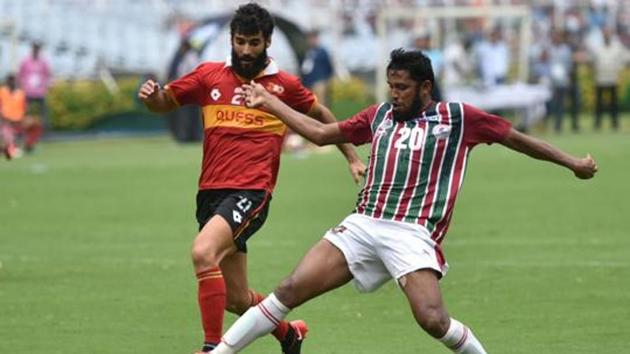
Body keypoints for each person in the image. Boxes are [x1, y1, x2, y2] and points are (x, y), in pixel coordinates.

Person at [209, 49, 598, 354]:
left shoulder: (457, 118)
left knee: (432, 320)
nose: (394, 94)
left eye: (402, 88)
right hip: (364, 224)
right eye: (391, 86)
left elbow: (518, 139)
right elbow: (322, 133)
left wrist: (573, 163)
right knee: (290, 288)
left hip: (411, 233)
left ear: (425, 87)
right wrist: (269, 102)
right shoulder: (379, 116)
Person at [137, 4, 365, 354]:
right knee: (235, 298)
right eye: (240, 41)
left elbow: (321, 117)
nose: (245, 50)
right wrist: (154, 99)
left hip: (251, 191)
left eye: (254, 42)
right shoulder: (208, 76)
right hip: (210, 193)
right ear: (231, 39)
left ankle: (212, 347)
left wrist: (351, 156)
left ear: (268, 42)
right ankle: (289, 333)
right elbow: (166, 102)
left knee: (202, 253)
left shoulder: (284, 86)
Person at [589, 27, 630, 131]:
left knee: (614, 104)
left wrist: (620, 68)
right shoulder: (597, 47)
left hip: (613, 78)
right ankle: (597, 124)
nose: (606, 35)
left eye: (608, 33)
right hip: (600, 79)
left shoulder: (617, 47)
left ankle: (615, 123)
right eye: (605, 33)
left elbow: (626, 58)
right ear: (602, 35)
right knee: (599, 104)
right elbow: (592, 61)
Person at [0, 74, 43, 159]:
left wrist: (26, 118)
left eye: (13, 81)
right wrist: (4, 120)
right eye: (10, 81)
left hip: (19, 121)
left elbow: (25, 109)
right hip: (6, 122)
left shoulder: (20, 93)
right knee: (7, 137)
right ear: (6, 82)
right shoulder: (2, 92)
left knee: (36, 125)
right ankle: (9, 148)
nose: (11, 83)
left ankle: (28, 146)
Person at [18, 42, 52, 131]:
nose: (36, 50)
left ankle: (43, 130)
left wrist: (47, 86)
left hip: (40, 92)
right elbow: (20, 75)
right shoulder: (25, 61)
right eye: (34, 48)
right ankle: (23, 129)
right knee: (24, 111)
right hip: (28, 91)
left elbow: (48, 74)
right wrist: (22, 86)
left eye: (37, 48)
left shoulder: (43, 62)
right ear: (32, 49)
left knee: (43, 112)